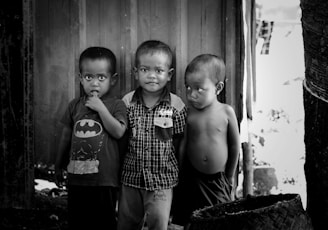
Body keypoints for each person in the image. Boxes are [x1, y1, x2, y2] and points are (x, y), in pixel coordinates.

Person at [55, 47, 127, 230]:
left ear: (113, 79)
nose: (94, 83)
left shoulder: (116, 105)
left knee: (104, 223)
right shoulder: (75, 105)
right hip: (77, 178)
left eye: (101, 78)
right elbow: (65, 137)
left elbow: (119, 131)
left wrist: (100, 108)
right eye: (89, 77)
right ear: (81, 78)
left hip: (104, 180)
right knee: (78, 222)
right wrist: (58, 164)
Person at [117, 40, 187, 230]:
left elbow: (180, 141)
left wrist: (178, 171)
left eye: (159, 70)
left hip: (162, 181)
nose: (152, 76)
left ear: (169, 74)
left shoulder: (176, 105)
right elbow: (122, 139)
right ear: (135, 72)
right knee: (126, 223)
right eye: (145, 70)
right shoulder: (127, 102)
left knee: (159, 224)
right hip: (131, 177)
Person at [173, 54, 240, 227]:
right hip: (191, 178)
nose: (191, 94)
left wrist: (230, 177)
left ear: (218, 87)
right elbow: (183, 144)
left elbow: (234, 146)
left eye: (199, 89)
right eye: (188, 87)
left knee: (218, 220)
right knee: (190, 219)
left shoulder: (226, 112)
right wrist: (179, 173)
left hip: (217, 180)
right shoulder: (188, 113)